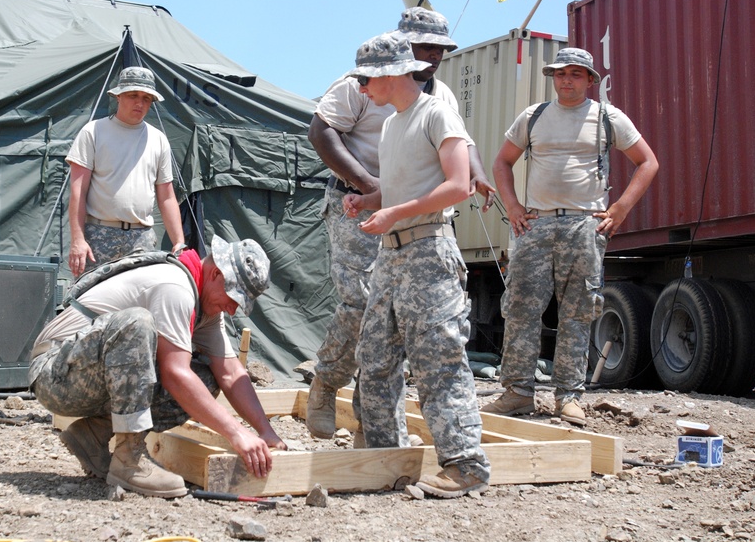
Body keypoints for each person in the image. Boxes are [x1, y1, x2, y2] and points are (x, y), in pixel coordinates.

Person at [305, 7, 495, 440]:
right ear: (401, 47)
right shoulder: (363, 87)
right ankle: (326, 384)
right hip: (358, 200)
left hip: (405, 211)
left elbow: (459, 144)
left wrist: (477, 173)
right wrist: (371, 188)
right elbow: (321, 132)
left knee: (386, 323)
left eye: (439, 49)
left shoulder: (438, 100)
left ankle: (367, 422)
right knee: (360, 305)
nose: (430, 57)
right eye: (422, 47)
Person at [343, 32, 491, 498]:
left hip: (429, 251)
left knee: (438, 362)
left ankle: (466, 465)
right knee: (376, 358)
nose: (362, 88)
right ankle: (385, 457)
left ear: (391, 73)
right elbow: (401, 186)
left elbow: (460, 185)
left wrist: (393, 213)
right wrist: (368, 201)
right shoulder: (391, 125)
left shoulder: (436, 113)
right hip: (392, 254)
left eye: (366, 79)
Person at [29, 234, 286, 498]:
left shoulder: (206, 304)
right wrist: (237, 433)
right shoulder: (175, 286)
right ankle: (129, 461)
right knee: (137, 325)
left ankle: (92, 436)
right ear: (216, 274)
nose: (232, 310)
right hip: (55, 373)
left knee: (206, 380)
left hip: (84, 370)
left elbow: (230, 374)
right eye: (233, 297)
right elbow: (175, 375)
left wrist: (265, 431)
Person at [482, 47, 658, 426]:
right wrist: (513, 206)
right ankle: (517, 393)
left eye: (576, 74)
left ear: (590, 80)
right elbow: (502, 162)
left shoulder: (607, 118)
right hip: (536, 224)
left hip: (584, 225)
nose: (567, 80)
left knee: (577, 313)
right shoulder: (534, 117)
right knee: (520, 309)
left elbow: (647, 161)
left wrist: (620, 209)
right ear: (552, 78)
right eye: (561, 74)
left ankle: (568, 397)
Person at [66, 66, 186, 278]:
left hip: (142, 240)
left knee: (138, 308)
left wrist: (179, 242)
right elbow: (78, 191)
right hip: (98, 238)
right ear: (119, 96)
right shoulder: (93, 132)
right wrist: (78, 239)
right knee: (91, 306)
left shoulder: (158, 139)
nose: (140, 103)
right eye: (133, 95)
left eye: (147, 98)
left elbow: (167, 197)